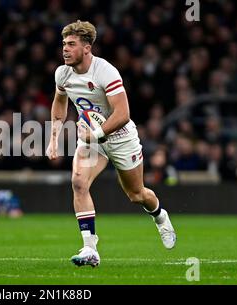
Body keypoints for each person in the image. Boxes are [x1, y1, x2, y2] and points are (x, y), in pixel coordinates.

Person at [46, 20, 176, 267]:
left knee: (136, 194)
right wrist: (53, 138)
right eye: (64, 44)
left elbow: (122, 114)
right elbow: (60, 103)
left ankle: (160, 217)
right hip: (92, 141)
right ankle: (89, 248)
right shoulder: (62, 73)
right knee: (78, 182)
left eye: (71, 44)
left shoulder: (105, 72)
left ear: (87, 48)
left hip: (120, 138)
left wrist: (94, 135)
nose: (65, 49)